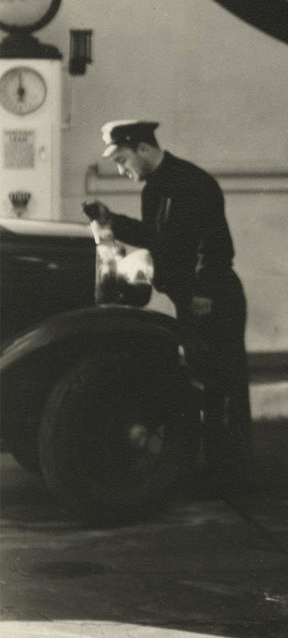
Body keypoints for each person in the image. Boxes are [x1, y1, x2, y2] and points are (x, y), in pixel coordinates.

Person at [83, 119, 254, 492]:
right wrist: (111, 220)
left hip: (213, 298)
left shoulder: (193, 183)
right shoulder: (156, 188)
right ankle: (218, 473)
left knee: (222, 388)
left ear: (143, 148)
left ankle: (234, 479)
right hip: (190, 298)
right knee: (204, 384)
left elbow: (216, 244)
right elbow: (157, 239)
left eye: (124, 159)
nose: (121, 169)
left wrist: (204, 291)